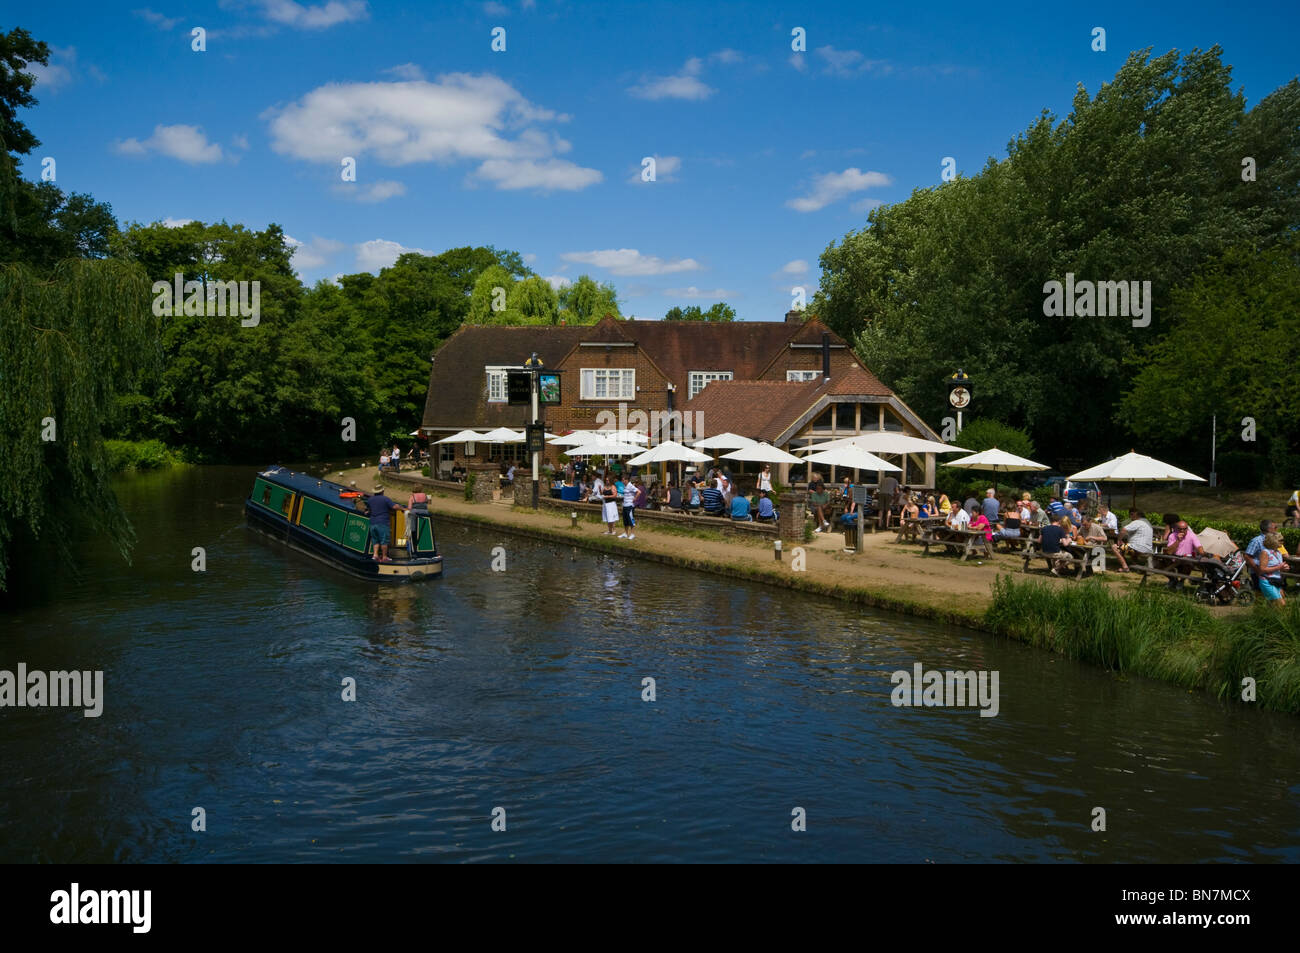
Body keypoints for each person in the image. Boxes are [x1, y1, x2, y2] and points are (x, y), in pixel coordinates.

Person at [1111, 508, 1155, 572]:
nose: (1130, 517)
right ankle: (1135, 565)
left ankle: (1125, 567)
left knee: (1114, 547)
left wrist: (1119, 540)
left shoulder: (1137, 522)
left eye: (1131, 515)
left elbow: (1124, 530)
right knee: (1126, 547)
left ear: (1136, 515)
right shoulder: (1148, 523)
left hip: (1137, 549)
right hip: (1147, 549)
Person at [365, 486, 402, 562]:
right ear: (382, 491)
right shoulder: (385, 499)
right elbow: (394, 507)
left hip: (373, 523)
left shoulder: (370, 500)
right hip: (383, 523)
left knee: (375, 540)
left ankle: (375, 555)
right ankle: (384, 557)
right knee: (384, 541)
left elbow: (368, 510)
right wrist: (401, 507)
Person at [1258, 533, 1289, 606]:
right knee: (1281, 604)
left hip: (1276, 580)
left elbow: (1278, 567)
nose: (1282, 542)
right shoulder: (1265, 552)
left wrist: (1284, 568)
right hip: (1267, 581)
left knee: (1276, 603)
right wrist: (1278, 568)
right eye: (1280, 540)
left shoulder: (1278, 552)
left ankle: (1267, 616)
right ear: (1273, 541)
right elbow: (1262, 569)